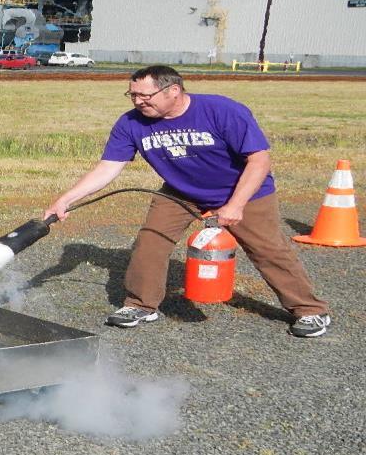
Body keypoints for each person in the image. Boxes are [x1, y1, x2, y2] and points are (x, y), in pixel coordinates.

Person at [44, 65, 331, 338]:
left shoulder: (221, 110)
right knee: (150, 241)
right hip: (181, 191)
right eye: (132, 95)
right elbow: (108, 167)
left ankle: (309, 311)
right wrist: (66, 199)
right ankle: (141, 305)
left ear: (174, 91)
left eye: (145, 95)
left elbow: (258, 160)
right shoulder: (130, 122)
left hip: (243, 190)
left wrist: (235, 205)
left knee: (268, 250)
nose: (138, 101)